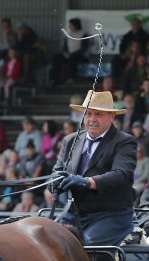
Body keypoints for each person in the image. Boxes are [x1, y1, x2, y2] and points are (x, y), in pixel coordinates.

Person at [53, 90, 137, 245]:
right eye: (88, 113)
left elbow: (121, 174)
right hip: (73, 214)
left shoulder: (124, 141)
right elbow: (57, 173)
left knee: (82, 249)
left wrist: (86, 182)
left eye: (98, 114)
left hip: (110, 216)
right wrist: (55, 182)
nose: (92, 119)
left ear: (112, 116)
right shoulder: (70, 140)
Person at [51, 18, 89, 85]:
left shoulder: (83, 34)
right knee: (56, 57)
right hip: (69, 55)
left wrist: (72, 54)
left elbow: (84, 48)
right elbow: (64, 47)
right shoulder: (69, 35)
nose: (69, 27)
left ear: (76, 26)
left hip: (80, 56)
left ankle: (71, 77)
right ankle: (54, 78)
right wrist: (65, 53)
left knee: (73, 58)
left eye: (71, 25)